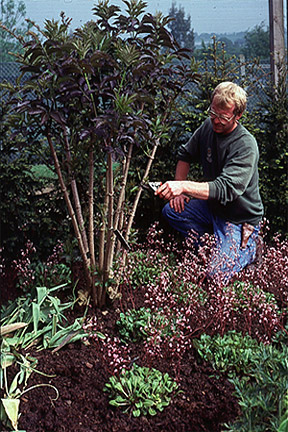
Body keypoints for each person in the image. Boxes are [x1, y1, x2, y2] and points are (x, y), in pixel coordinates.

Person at [156, 81, 263, 282]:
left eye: (223, 116)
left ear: (238, 115)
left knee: (217, 275)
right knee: (171, 211)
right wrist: (179, 193)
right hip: (213, 208)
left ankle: (250, 248)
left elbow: (225, 189)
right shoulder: (208, 127)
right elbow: (185, 154)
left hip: (238, 219)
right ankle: (217, 246)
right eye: (213, 113)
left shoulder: (246, 146)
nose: (216, 120)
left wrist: (183, 186)